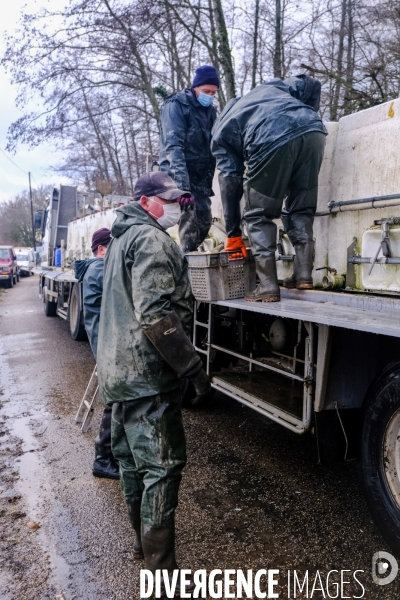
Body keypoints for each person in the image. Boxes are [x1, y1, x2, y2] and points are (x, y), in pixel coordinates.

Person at [96, 172, 211, 586]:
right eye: (169, 200)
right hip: (146, 377)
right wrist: (193, 370)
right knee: (161, 468)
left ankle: (142, 548)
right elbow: (156, 316)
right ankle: (161, 575)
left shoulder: (120, 239)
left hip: (118, 375)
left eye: (179, 200)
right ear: (146, 202)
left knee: (131, 464)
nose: (177, 207)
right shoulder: (151, 241)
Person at [211, 74, 327, 302]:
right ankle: (304, 274)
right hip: (313, 130)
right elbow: (312, 83)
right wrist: (308, 114)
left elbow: (230, 183)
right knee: (300, 208)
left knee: (257, 215)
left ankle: (267, 286)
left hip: (269, 137)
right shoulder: (272, 87)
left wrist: (233, 233)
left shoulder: (220, 134)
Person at [159, 64, 220, 252]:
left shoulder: (211, 112)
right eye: (206, 91)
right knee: (189, 224)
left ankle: (188, 260)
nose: (209, 96)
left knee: (204, 221)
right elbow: (173, 146)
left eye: (213, 92)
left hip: (200, 178)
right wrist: (182, 188)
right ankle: (185, 268)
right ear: (195, 88)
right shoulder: (176, 105)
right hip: (178, 176)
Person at [74, 228, 119, 480]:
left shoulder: (93, 269)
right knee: (115, 400)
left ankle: (110, 455)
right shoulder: (100, 270)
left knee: (117, 399)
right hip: (107, 344)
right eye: (112, 248)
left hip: (105, 341)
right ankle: (102, 459)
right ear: (101, 249)